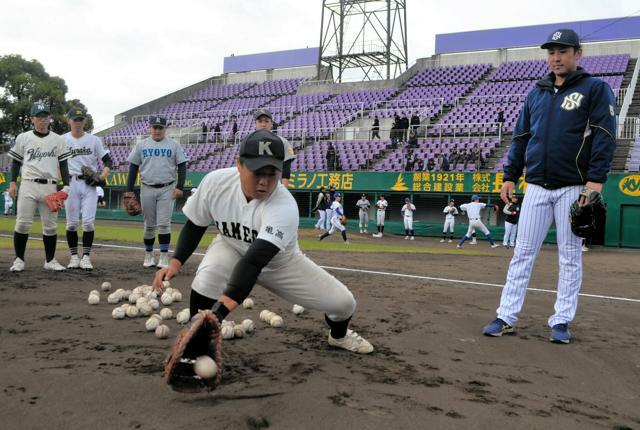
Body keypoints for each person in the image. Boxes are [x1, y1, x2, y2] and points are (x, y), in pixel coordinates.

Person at [152, 130, 372, 354]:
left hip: (280, 264)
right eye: (257, 172)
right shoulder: (215, 182)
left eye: (272, 173)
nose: (264, 182)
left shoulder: (284, 206)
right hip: (231, 246)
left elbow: (253, 262)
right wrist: (175, 263)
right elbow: (195, 224)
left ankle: (339, 337)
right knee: (208, 277)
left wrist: (218, 314)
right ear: (239, 164)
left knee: (344, 304)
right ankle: (197, 345)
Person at [482, 29, 616, 344]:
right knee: (522, 253)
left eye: (563, 51)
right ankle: (506, 316)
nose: (555, 57)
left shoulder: (594, 89)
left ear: (578, 54)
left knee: (570, 255)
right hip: (537, 186)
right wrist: (510, 176)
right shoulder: (537, 93)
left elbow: (604, 135)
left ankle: (561, 321)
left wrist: (595, 181)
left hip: (574, 187)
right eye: (551, 52)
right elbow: (520, 138)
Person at [7, 102, 72, 272]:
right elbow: (16, 161)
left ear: (49, 118)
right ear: (32, 119)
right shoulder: (23, 137)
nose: (43, 120)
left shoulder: (58, 139)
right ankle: (19, 260)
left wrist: (66, 187)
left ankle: (50, 260)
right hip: (28, 184)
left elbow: (63, 165)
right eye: (40, 117)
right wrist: (13, 182)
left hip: (50, 187)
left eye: (46, 116)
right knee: (22, 224)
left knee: (50, 226)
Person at [126, 116, 188, 269]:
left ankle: (164, 256)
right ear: (150, 128)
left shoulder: (174, 145)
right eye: (155, 127)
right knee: (148, 226)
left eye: (160, 127)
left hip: (167, 188)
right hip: (147, 187)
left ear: (165, 129)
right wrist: (128, 190)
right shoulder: (141, 145)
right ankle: (148, 255)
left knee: (164, 225)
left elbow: (182, 165)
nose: (157, 130)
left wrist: (180, 187)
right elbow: (133, 167)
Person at [63, 107, 113, 270]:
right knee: (71, 224)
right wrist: (61, 180)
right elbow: (56, 162)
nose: (78, 122)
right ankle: (73, 257)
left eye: (80, 119)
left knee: (88, 224)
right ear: (68, 121)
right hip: (70, 183)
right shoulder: (62, 140)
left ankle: (85, 257)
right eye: (75, 119)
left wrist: (102, 176)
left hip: (88, 185)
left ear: (84, 122)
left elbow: (108, 161)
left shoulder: (94, 140)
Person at [253, 108, 295, 187]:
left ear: (271, 123)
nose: (263, 124)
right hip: (253, 187)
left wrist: (284, 189)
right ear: (255, 124)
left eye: (266, 121)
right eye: (260, 121)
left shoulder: (283, 142)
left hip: (275, 187)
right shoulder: (249, 143)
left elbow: (286, 168)